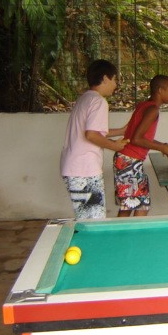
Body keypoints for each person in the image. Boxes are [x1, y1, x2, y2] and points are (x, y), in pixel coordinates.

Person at [60, 59, 129, 220]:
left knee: (88, 218)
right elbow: (91, 135)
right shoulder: (99, 101)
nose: (115, 84)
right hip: (84, 170)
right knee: (94, 220)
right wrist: (115, 146)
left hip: (76, 168)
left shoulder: (85, 98)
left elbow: (96, 131)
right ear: (105, 78)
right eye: (114, 79)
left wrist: (121, 130)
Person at [113, 75, 168, 217]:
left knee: (128, 205)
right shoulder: (153, 110)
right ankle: (132, 237)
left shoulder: (144, 105)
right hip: (129, 161)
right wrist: (162, 149)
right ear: (160, 90)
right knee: (142, 205)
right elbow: (136, 139)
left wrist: (163, 145)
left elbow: (141, 137)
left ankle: (123, 237)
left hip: (126, 159)